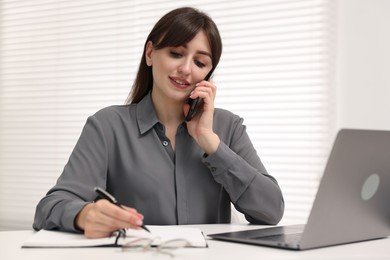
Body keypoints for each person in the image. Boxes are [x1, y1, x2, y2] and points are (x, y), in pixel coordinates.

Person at [33, 7, 284, 238]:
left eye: (200, 62)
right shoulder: (107, 126)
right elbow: (50, 207)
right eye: (176, 53)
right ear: (150, 53)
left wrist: (212, 144)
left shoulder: (228, 127)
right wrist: (85, 215)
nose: (186, 69)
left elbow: (271, 211)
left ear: (208, 73)